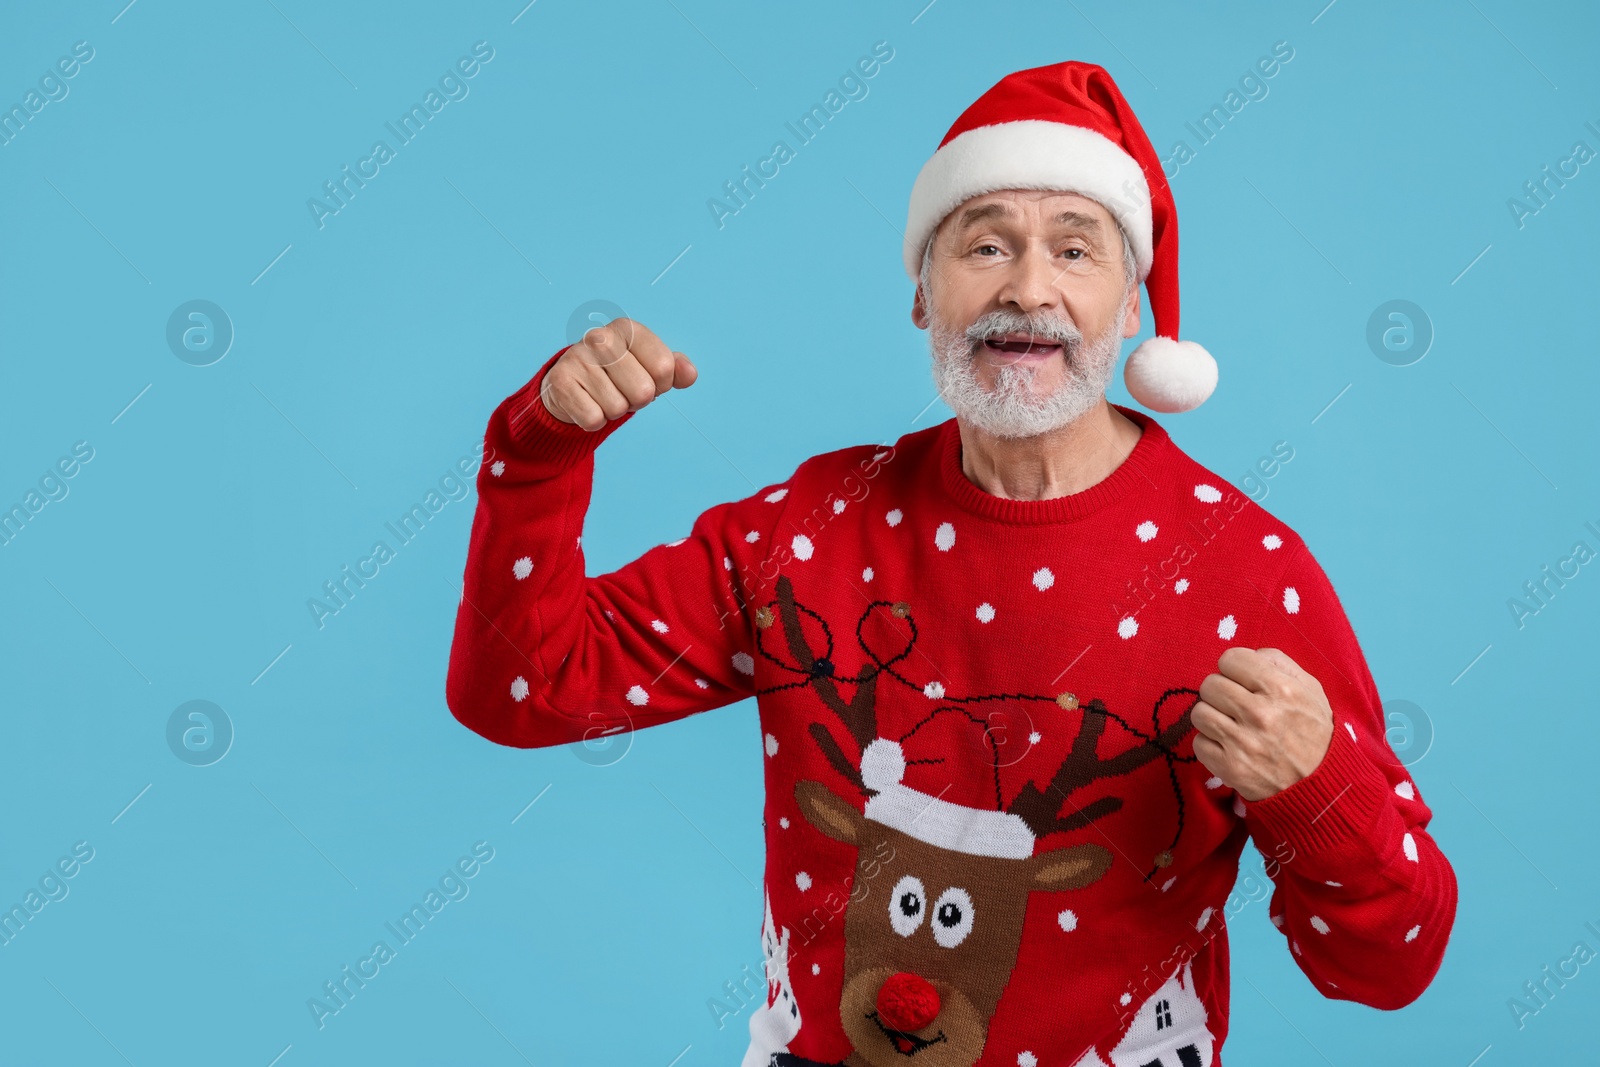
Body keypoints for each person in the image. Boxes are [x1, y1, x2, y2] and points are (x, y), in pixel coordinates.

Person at [446, 60, 1456, 1067]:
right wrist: (537, 453)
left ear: (1131, 306)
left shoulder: (1247, 570)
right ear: (923, 297)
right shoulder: (812, 525)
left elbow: (1386, 965)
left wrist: (1319, 787)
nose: (1027, 286)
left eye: (1074, 248)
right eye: (984, 245)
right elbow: (525, 690)